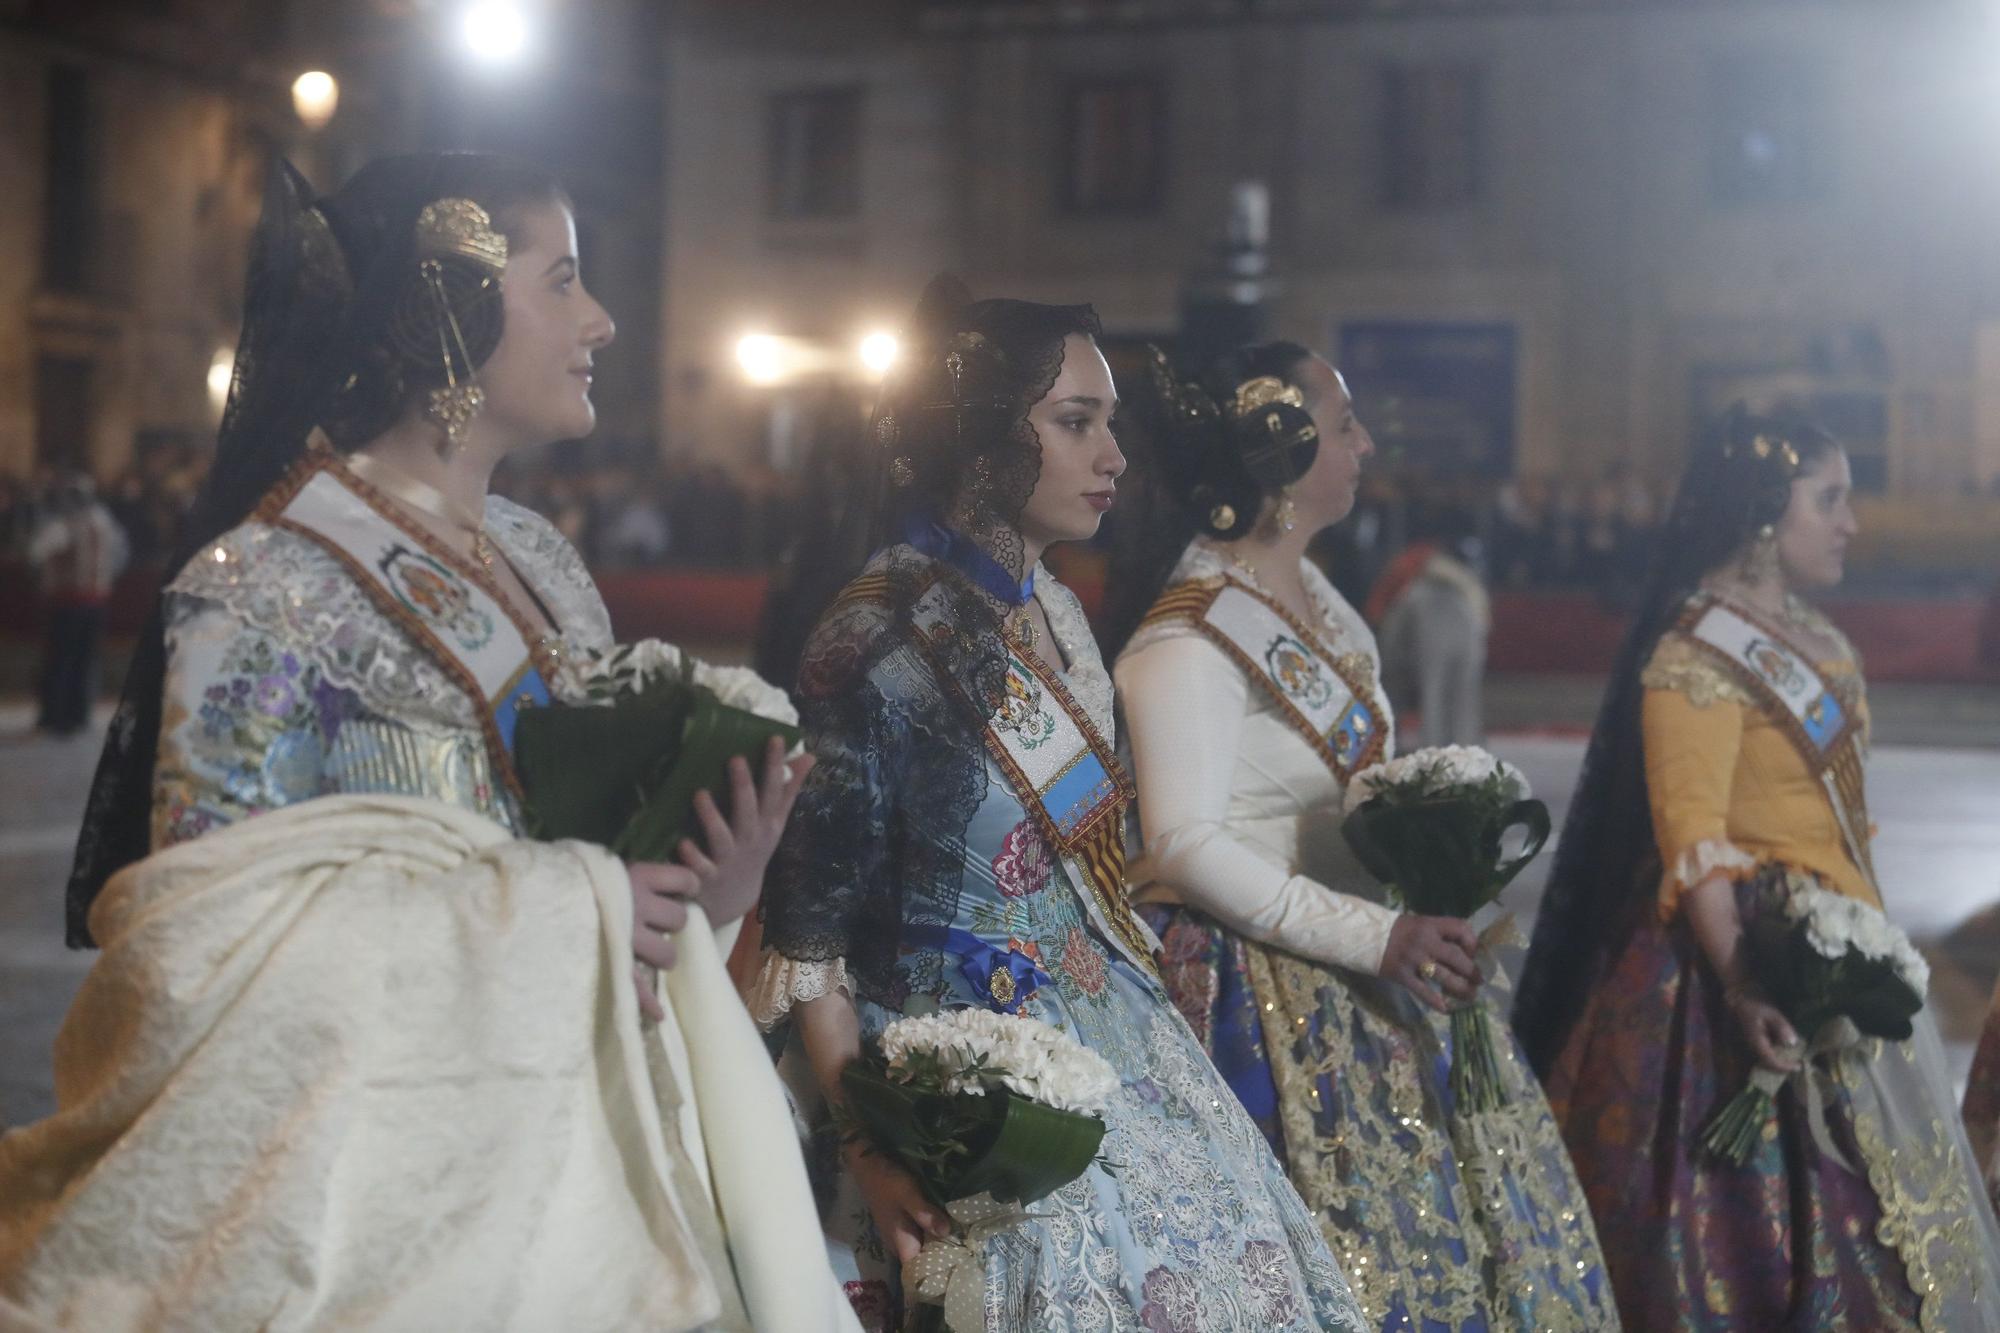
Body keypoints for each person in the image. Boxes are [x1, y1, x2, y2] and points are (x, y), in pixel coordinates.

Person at [1, 154, 858, 1332]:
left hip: (602, 1147)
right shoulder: (261, 589)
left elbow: (611, 906)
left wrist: (709, 892)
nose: (600, 319)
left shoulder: (545, 565)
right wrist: (578, 907)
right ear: (444, 314)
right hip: (403, 1220)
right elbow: (204, 971)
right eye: (561, 282)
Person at [746, 279, 1364, 1332]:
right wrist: (875, 1145)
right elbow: (811, 933)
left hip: (1104, 1024)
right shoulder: (876, 638)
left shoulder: (1061, 615)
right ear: (981, 440)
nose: (1112, 457)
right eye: (1074, 423)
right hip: (950, 1073)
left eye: (1110, 424)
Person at [1105, 343, 1615, 1332]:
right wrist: (1371, 936)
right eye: (1344, 425)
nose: (1366, 443)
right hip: (1255, 992)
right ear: (1279, 454)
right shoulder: (1183, 639)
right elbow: (1177, 843)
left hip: (1364, 970)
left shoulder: (1323, 604)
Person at [1513, 405, 2000, 1330]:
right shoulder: (1693, 656)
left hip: (1839, 953)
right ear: (1767, 516)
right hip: (1739, 977)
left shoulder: (1815, 634)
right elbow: (1692, 837)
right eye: (1833, 499)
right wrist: (1743, 984)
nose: (1853, 522)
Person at [1367, 510, 1490, 748]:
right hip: (1433, 636)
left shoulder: (1431, 576)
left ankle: (1441, 751)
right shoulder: (1415, 567)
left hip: (1423, 640)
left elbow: (1379, 610)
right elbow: (1380, 607)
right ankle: (1455, 751)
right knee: (1447, 693)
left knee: (1437, 692)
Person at [27, 473, 128, 736]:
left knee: (61, 659)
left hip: (67, 600)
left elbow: (35, 551)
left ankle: (57, 715)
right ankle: (79, 713)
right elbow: (120, 555)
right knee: (86, 659)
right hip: (97, 600)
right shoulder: (104, 522)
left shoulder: (63, 524)